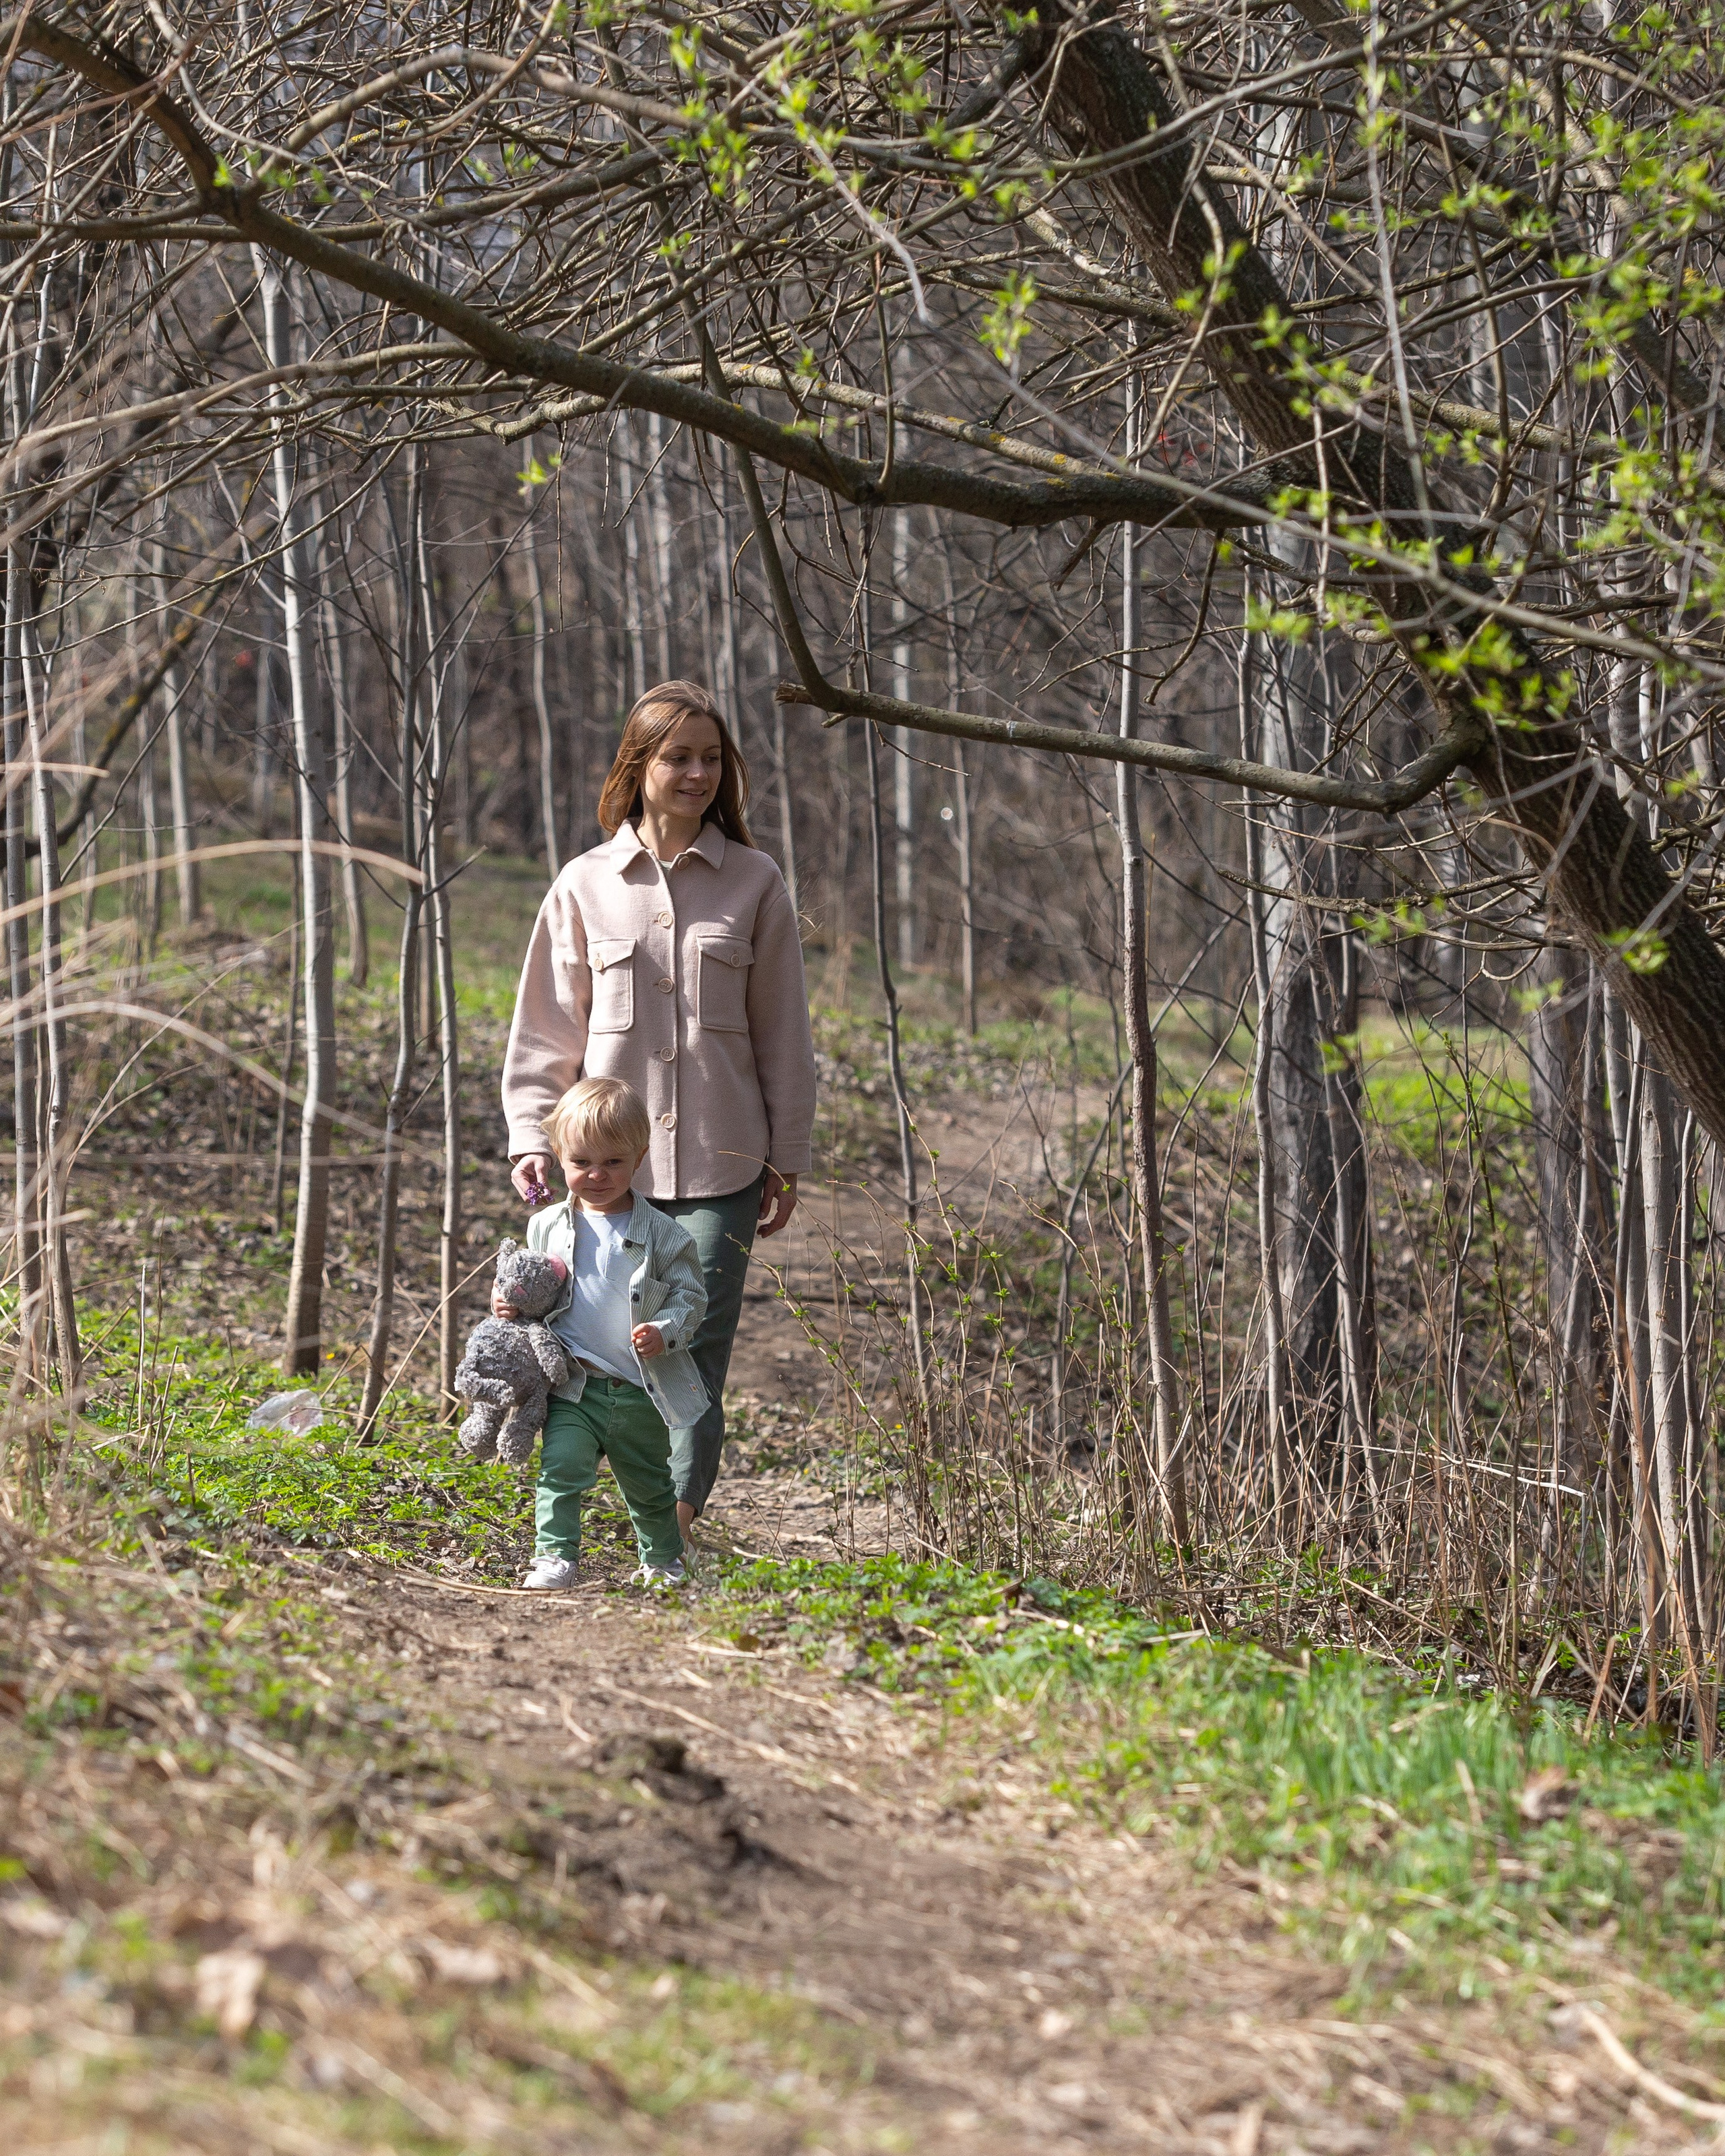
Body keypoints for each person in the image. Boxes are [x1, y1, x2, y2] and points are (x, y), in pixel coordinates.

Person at [502, 680, 817, 1540]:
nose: (698, 774)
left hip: (723, 1162)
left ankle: (669, 1529)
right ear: (639, 767)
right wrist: (533, 1134)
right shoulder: (583, 884)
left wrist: (785, 1155)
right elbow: (544, 1027)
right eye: (679, 757)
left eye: (712, 758)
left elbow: (783, 1032)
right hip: (605, 1169)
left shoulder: (756, 882)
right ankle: (573, 1504)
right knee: (593, 1342)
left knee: (688, 1343)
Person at [503, 1076, 710, 1592]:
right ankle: (555, 1557)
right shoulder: (547, 1225)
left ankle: (664, 1561)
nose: (597, 1174)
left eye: (613, 1162)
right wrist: (509, 1303)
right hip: (574, 1383)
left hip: (639, 1389)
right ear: (559, 1156)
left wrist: (664, 1331)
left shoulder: (665, 1234)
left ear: (639, 1158)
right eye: (581, 1162)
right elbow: (532, 1286)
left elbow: (691, 1300)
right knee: (561, 1468)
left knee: (649, 1486)